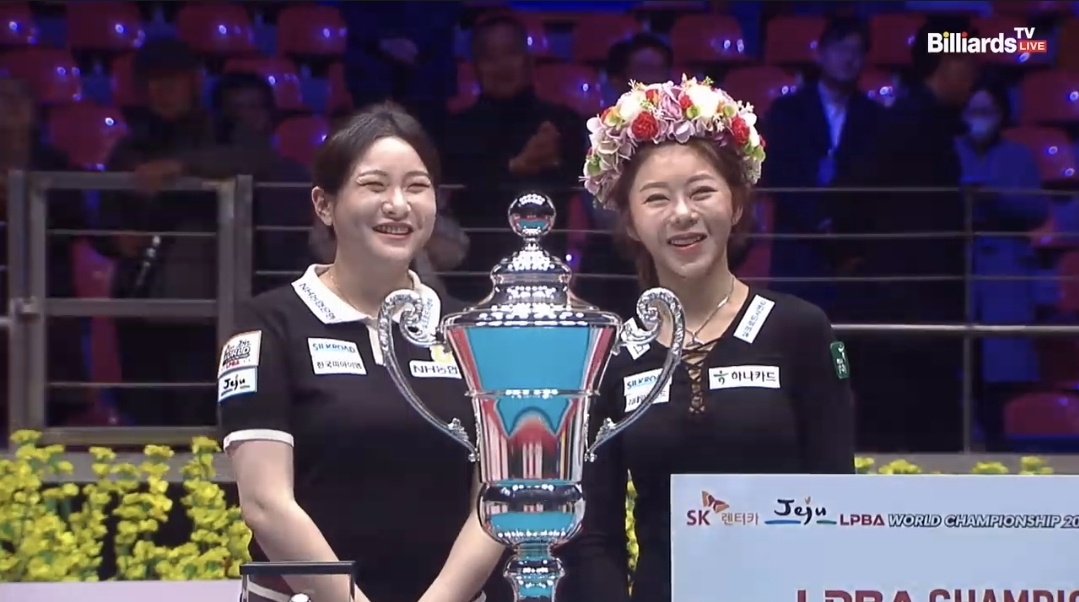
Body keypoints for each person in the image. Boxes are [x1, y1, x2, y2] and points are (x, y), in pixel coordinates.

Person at [568, 77, 856, 602]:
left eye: (701, 191)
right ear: (630, 221)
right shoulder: (613, 356)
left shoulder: (799, 329)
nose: (683, 213)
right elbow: (596, 538)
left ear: (737, 204)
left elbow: (838, 502)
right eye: (656, 198)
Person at [219, 103, 505, 602]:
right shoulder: (267, 323)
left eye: (417, 186)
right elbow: (265, 504)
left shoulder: (472, 331)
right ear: (324, 204)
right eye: (374, 185)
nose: (398, 205)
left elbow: (495, 496)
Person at [95, 38, 309, 426]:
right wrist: (116, 240)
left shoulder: (227, 131)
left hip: (213, 303)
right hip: (143, 300)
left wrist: (181, 167)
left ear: (194, 81)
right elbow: (102, 221)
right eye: (154, 81)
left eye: (173, 79)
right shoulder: (131, 145)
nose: (163, 90)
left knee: (207, 413)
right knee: (147, 413)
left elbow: (257, 159)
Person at [836, 16, 979, 451]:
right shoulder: (906, 123)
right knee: (902, 425)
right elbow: (851, 196)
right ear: (948, 63)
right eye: (969, 62)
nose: (975, 75)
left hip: (922, 301)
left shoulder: (933, 122)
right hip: (905, 304)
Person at [442, 13, 587, 303]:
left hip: (547, 275)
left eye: (510, 53)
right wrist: (517, 166)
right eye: (490, 57)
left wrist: (512, 169)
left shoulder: (563, 122)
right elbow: (461, 193)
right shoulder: (453, 130)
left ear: (529, 60)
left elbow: (573, 182)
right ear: (475, 67)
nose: (502, 65)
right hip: (472, 279)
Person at [760, 15, 883, 313]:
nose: (848, 58)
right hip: (798, 250)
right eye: (841, 48)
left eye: (857, 51)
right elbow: (779, 173)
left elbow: (876, 180)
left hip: (853, 255)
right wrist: (818, 221)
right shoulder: (787, 111)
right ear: (821, 53)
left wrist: (841, 225)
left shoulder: (876, 118)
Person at [955, 78, 1049, 450]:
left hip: (1004, 276)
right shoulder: (950, 150)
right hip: (960, 270)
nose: (980, 118)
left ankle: (1001, 451)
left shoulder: (1019, 155)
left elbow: (1037, 208)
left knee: (1002, 378)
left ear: (1001, 114)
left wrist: (997, 199)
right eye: (974, 110)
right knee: (962, 371)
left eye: (987, 111)